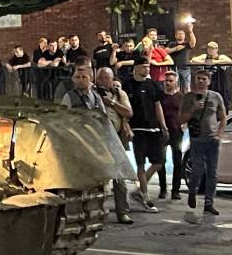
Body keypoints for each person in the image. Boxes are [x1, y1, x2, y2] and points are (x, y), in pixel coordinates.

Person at [63, 64, 133, 224]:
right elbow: (65, 119)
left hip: (102, 142)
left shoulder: (96, 97)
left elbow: (104, 118)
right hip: (82, 144)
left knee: (119, 179)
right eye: (78, 77)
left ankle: (122, 211)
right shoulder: (70, 97)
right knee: (84, 182)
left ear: (90, 79)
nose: (81, 80)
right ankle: (82, 213)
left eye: (84, 77)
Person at [179, 68, 226, 218]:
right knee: (197, 170)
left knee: (212, 172)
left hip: (212, 140)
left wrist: (219, 133)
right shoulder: (188, 97)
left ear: (209, 81)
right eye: (198, 78)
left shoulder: (216, 97)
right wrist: (193, 108)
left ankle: (209, 203)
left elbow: (223, 116)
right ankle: (192, 190)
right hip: (197, 139)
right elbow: (180, 120)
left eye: (204, 79)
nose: (200, 81)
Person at [126, 65, 167, 212]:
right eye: (143, 67)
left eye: (148, 66)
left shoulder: (153, 85)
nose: (147, 69)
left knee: (159, 162)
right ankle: (145, 197)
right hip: (138, 129)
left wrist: (163, 125)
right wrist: (127, 127)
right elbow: (124, 108)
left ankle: (138, 189)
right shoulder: (128, 84)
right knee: (141, 164)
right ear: (136, 68)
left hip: (154, 128)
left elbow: (158, 106)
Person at [157, 69, 184, 201]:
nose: (167, 83)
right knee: (160, 161)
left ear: (176, 82)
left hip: (176, 131)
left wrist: (184, 124)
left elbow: (186, 113)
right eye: (166, 81)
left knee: (177, 161)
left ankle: (176, 190)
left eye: (170, 81)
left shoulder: (181, 97)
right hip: (162, 132)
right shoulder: (159, 97)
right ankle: (163, 189)